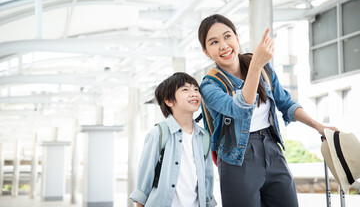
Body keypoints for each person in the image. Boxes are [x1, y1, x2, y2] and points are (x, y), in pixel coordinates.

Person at [198, 14, 338, 207]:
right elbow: (239, 109)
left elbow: (286, 104)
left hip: (272, 148)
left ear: (237, 37)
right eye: (214, 42)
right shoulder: (209, 86)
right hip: (236, 159)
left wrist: (318, 126)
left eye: (227, 36)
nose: (223, 45)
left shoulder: (263, 68)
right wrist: (256, 66)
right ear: (206, 51)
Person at [130, 72, 217, 207]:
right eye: (185, 90)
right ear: (169, 101)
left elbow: (208, 178)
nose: (194, 93)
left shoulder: (204, 136)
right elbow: (144, 182)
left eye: (196, 89)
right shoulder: (158, 134)